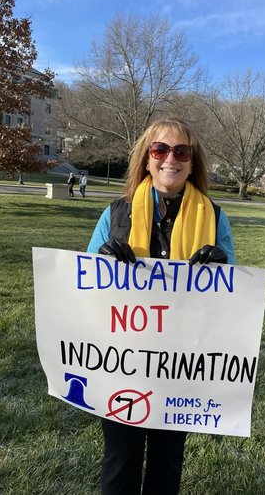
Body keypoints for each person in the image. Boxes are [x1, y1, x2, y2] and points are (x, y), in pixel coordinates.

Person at [87, 118, 235, 495]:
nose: (172, 158)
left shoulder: (215, 217)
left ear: (192, 161)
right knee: (120, 459)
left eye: (182, 151)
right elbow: (84, 286)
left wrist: (222, 266)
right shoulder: (116, 214)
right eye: (161, 149)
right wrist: (102, 260)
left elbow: (234, 293)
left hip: (181, 365)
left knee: (168, 461)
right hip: (122, 359)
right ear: (147, 159)